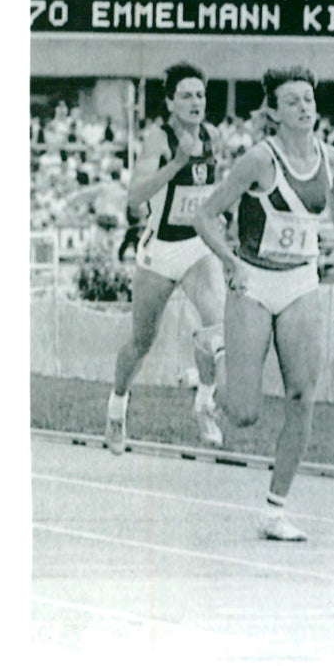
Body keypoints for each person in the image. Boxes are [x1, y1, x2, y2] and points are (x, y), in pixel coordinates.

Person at [194, 67, 334, 541]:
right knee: (244, 413)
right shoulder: (259, 159)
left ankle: (275, 509)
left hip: (300, 280)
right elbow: (205, 215)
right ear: (273, 112)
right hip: (253, 283)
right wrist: (229, 261)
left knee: (302, 395)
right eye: (293, 100)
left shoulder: (330, 157)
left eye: (309, 98)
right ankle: (214, 354)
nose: (305, 106)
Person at [105, 63, 226, 452]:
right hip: (159, 251)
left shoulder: (212, 136)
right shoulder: (158, 138)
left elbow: (209, 191)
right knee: (142, 341)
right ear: (170, 102)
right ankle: (117, 408)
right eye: (187, 95)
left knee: (216, 326)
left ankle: (205, 403)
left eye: (201, 95)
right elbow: (135, 197)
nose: (196, 102)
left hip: (196, 246)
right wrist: (176, 163)